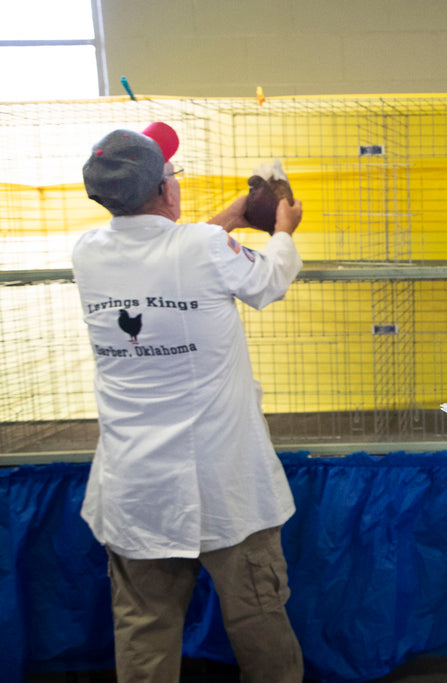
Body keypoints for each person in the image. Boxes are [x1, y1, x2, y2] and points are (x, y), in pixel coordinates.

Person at [72, 122, 305, 682]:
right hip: (223, 485)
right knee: (259, 619)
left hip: (135, 489)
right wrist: (282, 229)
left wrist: (225, 218)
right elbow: (268, 279)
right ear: (165, 190)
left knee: (143, 630)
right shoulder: (202, 248)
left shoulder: (88, 253)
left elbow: (168, 254)